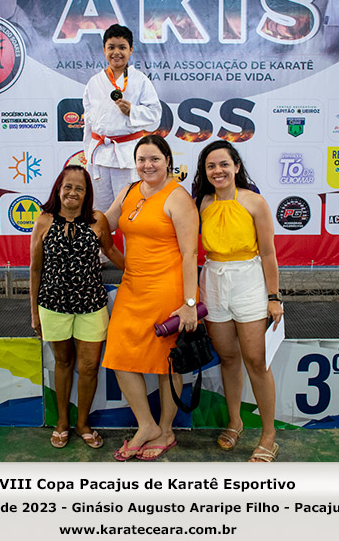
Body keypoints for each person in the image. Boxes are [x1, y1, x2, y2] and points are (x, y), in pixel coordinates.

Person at [102, 135, 199, 461]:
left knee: (166, 364)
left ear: (168, 160)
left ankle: (166, 431)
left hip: (167, 290)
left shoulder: (178, 197)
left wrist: (189, 304)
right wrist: (69, 213)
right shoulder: (129, 191)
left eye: (154, 158)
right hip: (132, 287)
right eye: (142, 159)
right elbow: (106, 223)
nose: (147, 165)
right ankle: (147, 425)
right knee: (118, 355)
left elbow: (190, 255)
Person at [192, 141, 284, 463]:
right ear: (205, 171)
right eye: (211, 166)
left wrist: (273, 297)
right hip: (213, 280)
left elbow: (269, 253)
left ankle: (269, 436)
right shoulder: (201, 203)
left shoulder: (254, 202)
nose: (218, 171)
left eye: (223, 164)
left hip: (249, 280)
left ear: (237, 167)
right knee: (228, 358)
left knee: (256, 361)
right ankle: (235, 422)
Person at [29, 165, 124, 449]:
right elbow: (35, 269)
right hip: (53, 305)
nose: (73, 192)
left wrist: (141, 273)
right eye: (67, 186)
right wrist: (34, 313)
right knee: (63, 363)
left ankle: (83, 424)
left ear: (87, 193)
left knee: (90, 367)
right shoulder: (44, 221)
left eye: (79, 188)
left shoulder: (97, 220)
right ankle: (62, 423)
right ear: (58, 189)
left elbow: (111, 251)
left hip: (91, 305)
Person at [83, 24, 162, 213]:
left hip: (127, 155)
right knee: (99, 211)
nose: (116, 52)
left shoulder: (140, 80)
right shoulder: (94, 82)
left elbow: (155, 115)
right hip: (99, 156)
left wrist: (132, 111)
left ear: (131, 50)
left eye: (122, 47)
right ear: (104, 50)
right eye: (111, 47)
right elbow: (88, 124)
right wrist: (88, 154)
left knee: (129, 209)